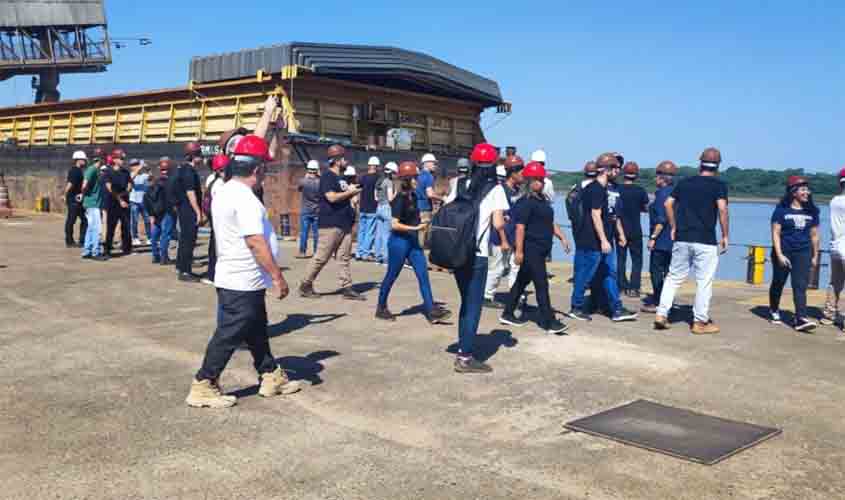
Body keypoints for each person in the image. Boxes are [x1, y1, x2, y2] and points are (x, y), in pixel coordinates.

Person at [185, 135, 300, 408]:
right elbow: (255, 241)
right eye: (264, 169)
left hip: (234, 275)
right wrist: (277, 276)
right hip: (242, 278)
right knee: (229, 332)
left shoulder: (223, 190)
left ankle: (271, 375)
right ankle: (204, 382)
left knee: (256, 329)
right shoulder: (246, 200)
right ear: (257, 170)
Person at [654, 147, 730, 334]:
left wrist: (673, 226)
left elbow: (668, 204)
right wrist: (726, 235)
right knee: (704, 281)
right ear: (718, 165)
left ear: (700, 163)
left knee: (673, 277)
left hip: (682, 237)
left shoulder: (684, 183)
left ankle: (661, 314)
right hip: (705, 239)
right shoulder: (719, 185)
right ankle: (699, 322)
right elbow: (722, 209)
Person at [451, 143, 509, 374]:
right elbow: (497, 224)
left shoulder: (458, 183)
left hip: (457, 252)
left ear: (473, 162)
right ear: (493, 164)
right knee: (473, 306)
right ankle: (465, 357)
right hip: (478, 255)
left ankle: (462, 348)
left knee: (465, 302)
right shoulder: (496, 189)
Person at [375, 160, 452, 324]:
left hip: (411, 241)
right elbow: (394, 224)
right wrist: (416, 229)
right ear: (407, 180)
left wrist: (423, 222)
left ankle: (431, 310)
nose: (418, 180)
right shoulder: (400, 199)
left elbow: (414, 218)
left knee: (423, 275)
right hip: (398, 242)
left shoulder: (415, 196)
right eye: (415, 177)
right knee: (391, 275)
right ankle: (381, 307)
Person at [499, 162, 571, 334]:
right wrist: (519, 251)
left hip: (541, 248)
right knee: (541, 284)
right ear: (529, 181)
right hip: (531, 248)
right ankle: (548, 321)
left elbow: (550, 222)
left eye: (542, 179)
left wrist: (562, 237)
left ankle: (507, 313)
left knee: (521, 282)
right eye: (537, 179)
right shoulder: (525, 202)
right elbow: (520, 227)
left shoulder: (543, 200)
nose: (541, 182)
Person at [568, 153, 637, 322]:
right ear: (606, 170)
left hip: (603, 240)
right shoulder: (596, 189)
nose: (618, 171)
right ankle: (576, 307)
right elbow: (595, 215)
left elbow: (611, 216)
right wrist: (604, 240)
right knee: (585, 274)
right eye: (615, 168)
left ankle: (616, 309)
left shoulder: (605, 189)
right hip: (592, 241)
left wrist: (619, 233)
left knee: (609, 273)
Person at [298, 144, 365, 300]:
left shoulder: (340, 178)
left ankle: (347, 287)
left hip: (344, 223)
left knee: (344, 257)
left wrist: (351, 192)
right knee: (321, 257)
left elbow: (342, 195)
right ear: (336, 160)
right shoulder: (328, 176)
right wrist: (351, 192)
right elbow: (331, 197)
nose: (346, 160)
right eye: (343, 158)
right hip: (330, 223)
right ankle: (305, 285)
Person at [768, 176, 820, 331]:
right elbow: (775, 233)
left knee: (800, 285)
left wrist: (815, 255)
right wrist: (779, 254)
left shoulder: (812, 211)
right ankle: (774, 309)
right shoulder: (781, 211)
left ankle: (800, 318)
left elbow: (815, 235)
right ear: (793, 192)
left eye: (807, 189)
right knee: (778, 282)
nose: (807, 192)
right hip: (784, 251)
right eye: (803, 189)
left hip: (803, 252)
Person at [483, 155, 524, 308]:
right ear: (512, 172)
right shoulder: (501, 190)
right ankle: (487, 296)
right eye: (520, 171)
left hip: (514, 235)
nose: (522, 174)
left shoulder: (518, 190)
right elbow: (498, 219)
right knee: (497, 267)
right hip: (500, 237)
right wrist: (504, 240)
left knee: (516, 266)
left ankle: (515, 295)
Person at [641, 160, 678, 313]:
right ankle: (667, 300)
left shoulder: (662, 195)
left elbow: (661, 220)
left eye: (657, 175)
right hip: (675, 240)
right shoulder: (676, 192)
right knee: (670, 273)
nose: (655, 179)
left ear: (662, 177)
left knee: (656, 271)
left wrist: (653, 238)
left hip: (662, 241)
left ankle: (659, 301)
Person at [169, 142, 205, 282]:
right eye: (199, 155)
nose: (201, 158)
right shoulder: (189, 171)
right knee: (188, 241)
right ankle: (185, 271)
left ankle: (181, 266)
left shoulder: (181, 169)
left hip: (183, 209)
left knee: (184, 239)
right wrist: (198, 212)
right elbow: (190, 193)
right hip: (189, 210)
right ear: (193, 156)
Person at [617, 161, 650, 297]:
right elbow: (646, 208)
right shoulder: (640, 191)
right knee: (637, 260)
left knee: (621, 259)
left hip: (619, 229)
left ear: (623, 174)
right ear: (636, 176)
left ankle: (621, 285)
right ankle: (634, 287)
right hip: (636, 229)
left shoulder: (617, 189)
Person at [203, 153, 229, 285]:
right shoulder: (220, 184)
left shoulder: (211, 179)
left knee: (214, 245)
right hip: (219, 219)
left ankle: (212, 273)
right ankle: (214, 274)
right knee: (217, 247)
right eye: (224, 169)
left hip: (214, 218)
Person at [103, 148, 133, 257]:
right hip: (113, 203)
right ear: (115, 159)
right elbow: (109, 188)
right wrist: (120, 199)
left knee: (126, 226)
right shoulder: (108, 172)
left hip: (124, 202)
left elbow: (130, 184)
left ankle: (127, 248)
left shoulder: (125, 172)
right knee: (111, 227)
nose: (123, 161)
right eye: (121, 158)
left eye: (123, 159)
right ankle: (107, 249)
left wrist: (126, 193)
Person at [146, 158, 176, 265]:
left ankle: (155, 256)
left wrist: (151, 214)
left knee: (155, 234)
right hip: (167, 211)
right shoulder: (171, 181)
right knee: (165, 234)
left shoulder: (154, 181)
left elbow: (147, 198)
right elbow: (173, 197)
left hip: (155, 212)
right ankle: (164, 257)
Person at [80, 149, 106, 261]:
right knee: (96, 228)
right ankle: (95, 252)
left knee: (91, 228)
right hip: (93, 204)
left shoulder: (95, 170)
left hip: (91, 203)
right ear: (101, 159)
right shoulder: (92, 170)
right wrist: (83, 193)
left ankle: (87, 250)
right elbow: (84, 184)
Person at [355, 157, 381, 261]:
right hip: (372, 208)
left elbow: (357, 188)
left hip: (362, 208)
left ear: (369, 165)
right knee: (370, 232)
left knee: (361, 231)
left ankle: (358, 252)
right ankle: (366, 253)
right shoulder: (378, 178)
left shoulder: (363, 177)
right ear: (376, 166)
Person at [416, 153, 443, 248]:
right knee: (423, 231)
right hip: (425, 208)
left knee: (417, 230)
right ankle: (419, 253)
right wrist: (442, 198)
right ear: (426, 163)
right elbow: (430, 194)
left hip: (417, 206)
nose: (435, 166)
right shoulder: (429, 177)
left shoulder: (418, 176)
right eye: (433, 163)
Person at [296, 160, 321, 259]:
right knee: (316, 233)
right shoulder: (320, 182)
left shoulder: (303, 181)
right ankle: (316, 252)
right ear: (316, 170)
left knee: (304, 232)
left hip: (305, 210)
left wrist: (306, 177)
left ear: (308, 170)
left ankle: (302, 251)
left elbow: (299, 189)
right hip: (317, 210)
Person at [374, 161, 397, 264]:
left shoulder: (379, 181)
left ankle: (377, 257)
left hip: (378, 207)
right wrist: (396, 192)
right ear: (391, 172)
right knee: (386, 234)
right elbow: (391, 198)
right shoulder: (389, 182)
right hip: (386, 208)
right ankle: (386, 259)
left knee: (378, 234)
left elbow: (375, 197)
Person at [64, 150, 88, 248]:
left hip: (77, 199)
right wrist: (64, 194)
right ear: (78, 160)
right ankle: (70, 241)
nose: (85, 161)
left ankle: (80, 240)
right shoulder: (75, 171)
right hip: (74, 200)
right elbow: (70, 184)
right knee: (72, 220)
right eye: (83, 159)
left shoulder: (77, 170)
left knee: (83, 220)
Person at [128, 159, 151, 246]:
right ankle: (135, 238)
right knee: (134, 221)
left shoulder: (144, 175)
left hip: (144, 201)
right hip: (134, 201)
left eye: (136, 164)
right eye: (133, 165)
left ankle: (150, 238)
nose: (135, 166)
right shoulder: (130, 174)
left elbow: (151, 179)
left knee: (147, 220)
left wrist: (148, 169)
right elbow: (130, 179)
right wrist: (139, 167)